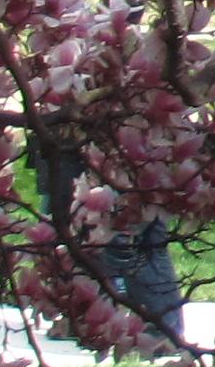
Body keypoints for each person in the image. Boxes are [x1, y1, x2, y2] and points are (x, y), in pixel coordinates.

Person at [28, 124, 189, 354]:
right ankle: (87, 318)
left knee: (134, 238)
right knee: (78, 232)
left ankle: (162, 328)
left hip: (116, 141)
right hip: (69, 143)